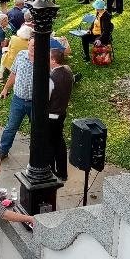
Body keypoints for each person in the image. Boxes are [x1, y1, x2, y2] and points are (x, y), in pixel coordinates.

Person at [0, 38, 35, 158]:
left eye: (37, 46)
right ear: (28, 44)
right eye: (32, 45)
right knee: (11, 127)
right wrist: (5, 89)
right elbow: (13, 74)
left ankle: (36, 154)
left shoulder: (45, 60)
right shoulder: (21, 55)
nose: (34, 48)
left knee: (37, 129)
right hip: (18, 99)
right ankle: (3, 151)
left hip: (35, 102)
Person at [48, 49, 74, 181]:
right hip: (61, 112)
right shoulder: (68, 73)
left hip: (51, 114)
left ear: (53, 61)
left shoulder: (52, 78)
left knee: (51, 142)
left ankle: (51, 170)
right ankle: (62, 172)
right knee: (59, 141)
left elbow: (46, 98)